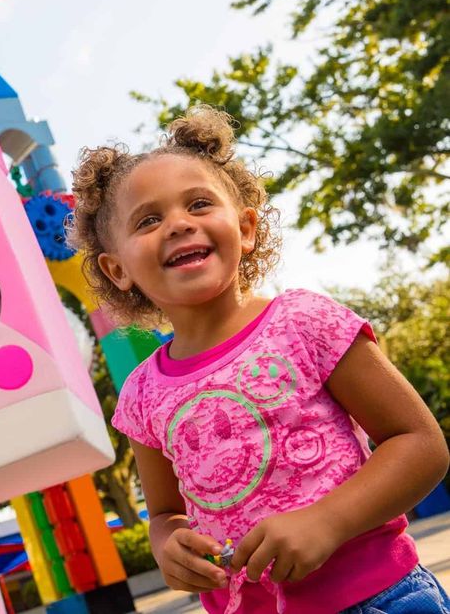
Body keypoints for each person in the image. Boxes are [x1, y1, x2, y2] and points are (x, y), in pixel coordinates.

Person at [66, 105, 450, 613]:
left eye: (199, 204)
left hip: (379, 596)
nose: (179, 224)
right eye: (149, 220)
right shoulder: (141, 395)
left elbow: (422, 445)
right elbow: (164, 514)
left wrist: (327, 521)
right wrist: (168, 545)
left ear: (245, 228)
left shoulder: (305, 323)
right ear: (118, 270)